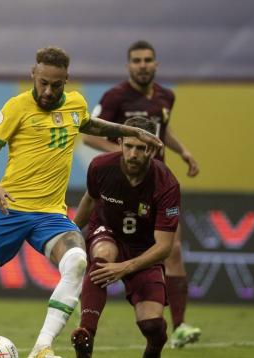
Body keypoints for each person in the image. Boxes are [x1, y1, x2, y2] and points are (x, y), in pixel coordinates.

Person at [0, 46, 163, 358]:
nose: (49, 91)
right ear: (33, 76)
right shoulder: (16, 108)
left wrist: (130, 130)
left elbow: (91, 125)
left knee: (77, 261)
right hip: (8, 209)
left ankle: (42, 347)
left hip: (49, 214)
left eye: (57, 84)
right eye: (43, 83)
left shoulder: (75, 104)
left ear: (66, 81)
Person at [82, 40, 201, 348]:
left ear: (156, 64)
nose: (143, 65)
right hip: (122, 187)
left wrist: (184, 151)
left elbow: (163, 130)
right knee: (105, 250)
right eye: (136, 60)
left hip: (155, 188)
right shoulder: (114, 97)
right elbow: (89, 135)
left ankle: (180, 325)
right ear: (129, 65)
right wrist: (124, 156)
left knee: (171, 249)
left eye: (148, 60)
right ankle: (87, 329)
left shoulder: (166, 96)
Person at [71, 117, 178, 358]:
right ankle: (85, 335)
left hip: (144, 250)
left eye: (140, 148)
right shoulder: (100, 166)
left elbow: (164, 247)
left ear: (152, 149)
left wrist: (124, 268)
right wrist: (70, 232)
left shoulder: (166, 184)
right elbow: (90, 200)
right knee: (103, 254)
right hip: (107, 231)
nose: (132, 154)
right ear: (119, 142)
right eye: (128, 146)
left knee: (152, 326)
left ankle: (154, 349)